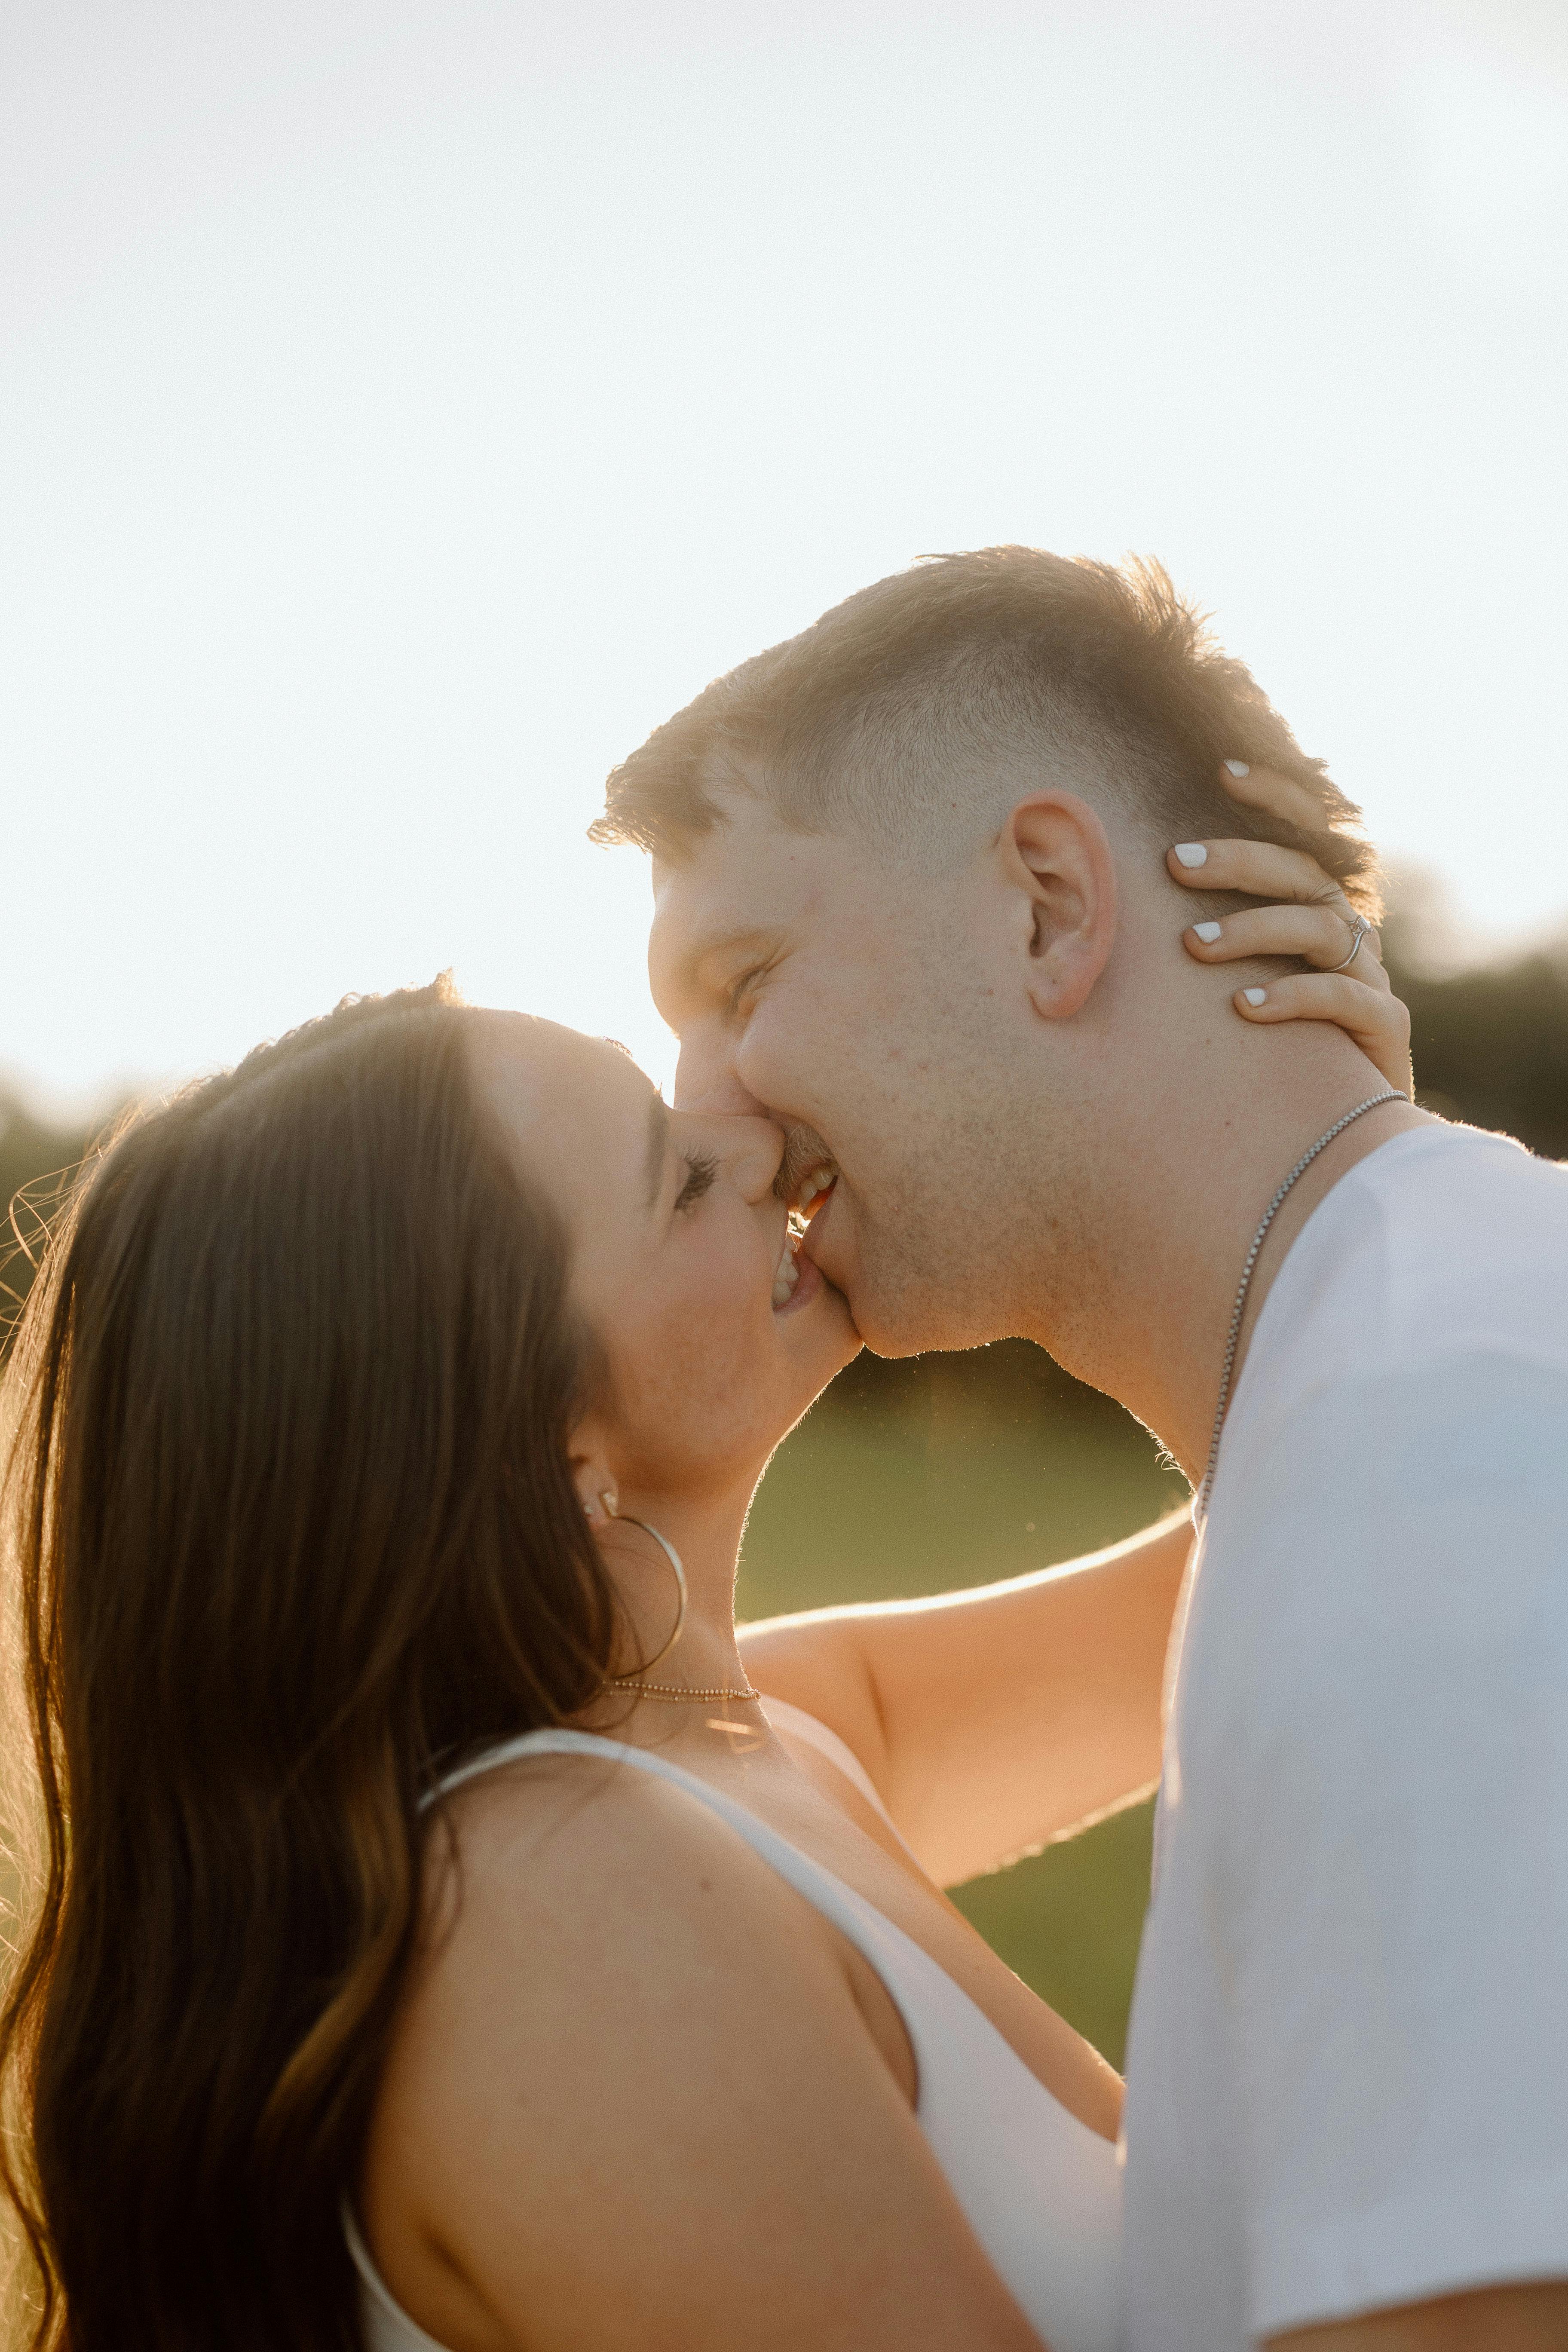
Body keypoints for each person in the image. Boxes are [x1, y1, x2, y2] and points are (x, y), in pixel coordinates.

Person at [0, 847, 1396, 2352]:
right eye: (677, 1174)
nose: (755, 1139)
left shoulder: (763, 1740)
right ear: (550, 1455)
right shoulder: (556, 1907)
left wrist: (1321, 1142)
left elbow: (1316, 1518)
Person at [595, 546, 1568, 2350]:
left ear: (1045, 903)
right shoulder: (1393, 1401)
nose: (710, 1105)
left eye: (742, 978)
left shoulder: (1424, 1458)